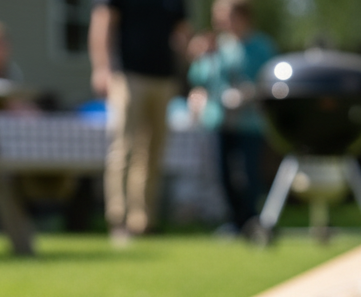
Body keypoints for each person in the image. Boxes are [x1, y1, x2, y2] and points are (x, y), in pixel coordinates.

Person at [89, 0, 190, 242]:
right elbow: (103, 21)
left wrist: (190, 55)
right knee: (124, 148)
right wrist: (101, 68)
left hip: (164, 78)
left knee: (153, 152)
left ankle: (143, 220)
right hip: (129, 75)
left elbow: (181, 33)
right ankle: (118, 218)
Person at [187, 0, 276, 235]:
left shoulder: (261, 46)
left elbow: (270, 80)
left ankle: (251, 219)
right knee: (224, 173)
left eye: (224, 16)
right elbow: (199, 77)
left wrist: (249, 93)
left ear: (242, 17)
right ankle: (235, 221)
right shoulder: (217, 46)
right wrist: (199, 56)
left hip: (250, 121)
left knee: (248, 174)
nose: (219, 22)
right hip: (221, 119)